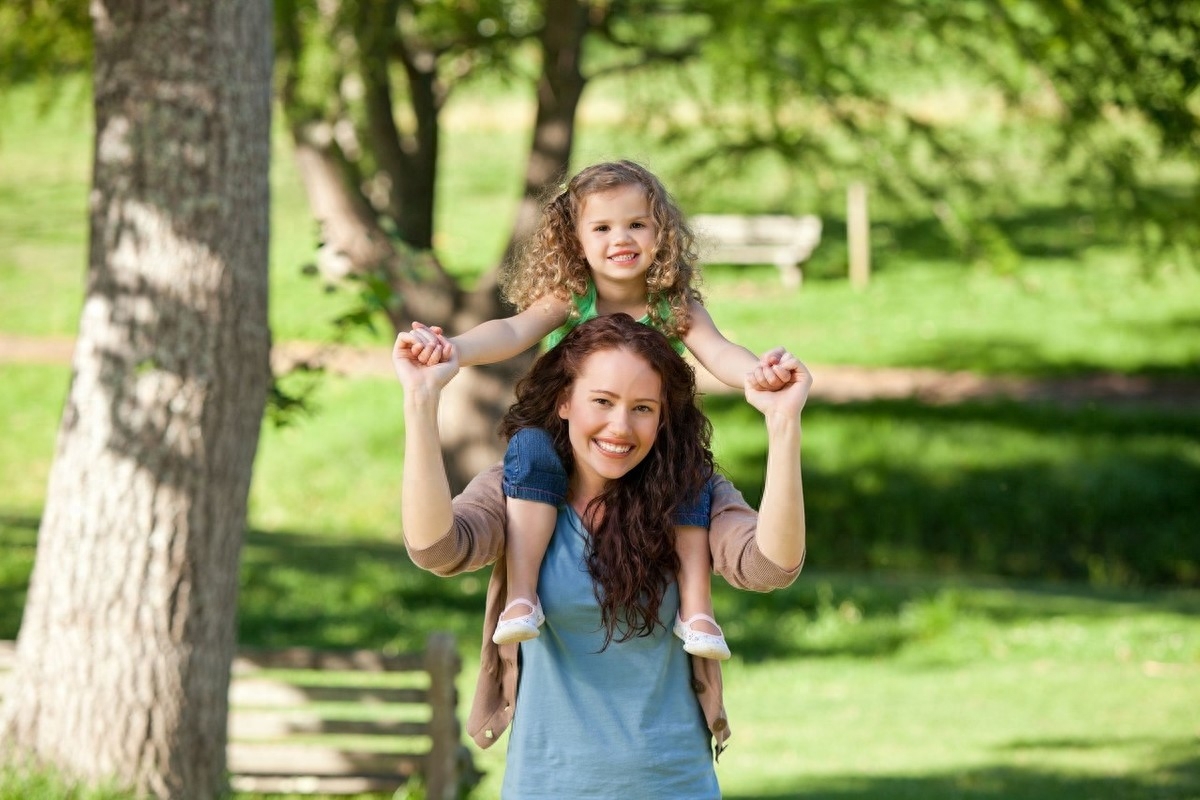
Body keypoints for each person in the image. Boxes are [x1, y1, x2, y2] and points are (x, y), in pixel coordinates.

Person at [396, 159, 799, 661]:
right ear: (576, 241)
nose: (621, 239)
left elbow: (718, 351)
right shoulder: (571, 296)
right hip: (564, 442)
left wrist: (758, 375)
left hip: (652, 441)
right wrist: (454, 348)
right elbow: (511, 332)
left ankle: (696, 609)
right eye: (602, 228)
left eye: (636, 224)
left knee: (688, 465)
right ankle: (522, 595)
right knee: (530, 448)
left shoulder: (671, 305)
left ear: (661, 233)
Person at [393, 313, 810, 797]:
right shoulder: (518, 490)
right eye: (602, 401)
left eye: (642, 408)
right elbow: (438, 550)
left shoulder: (689, 492)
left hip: (673, 785)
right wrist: (421, 402)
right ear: (565, 400)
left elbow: (770, 566)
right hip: (546, 785)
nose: (620, 426)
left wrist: (783, 426)